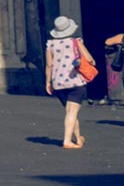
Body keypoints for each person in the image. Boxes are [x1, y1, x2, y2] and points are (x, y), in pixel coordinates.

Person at [45, 15, 90, 149]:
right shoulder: (75, 42)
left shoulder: (50, 44)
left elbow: (49, 65)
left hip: (58, 83)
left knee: (70, 111)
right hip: (75, 81)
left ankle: (78, 138)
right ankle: (67, 141)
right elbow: (88, 58)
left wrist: (48, 82)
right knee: (72, 111)